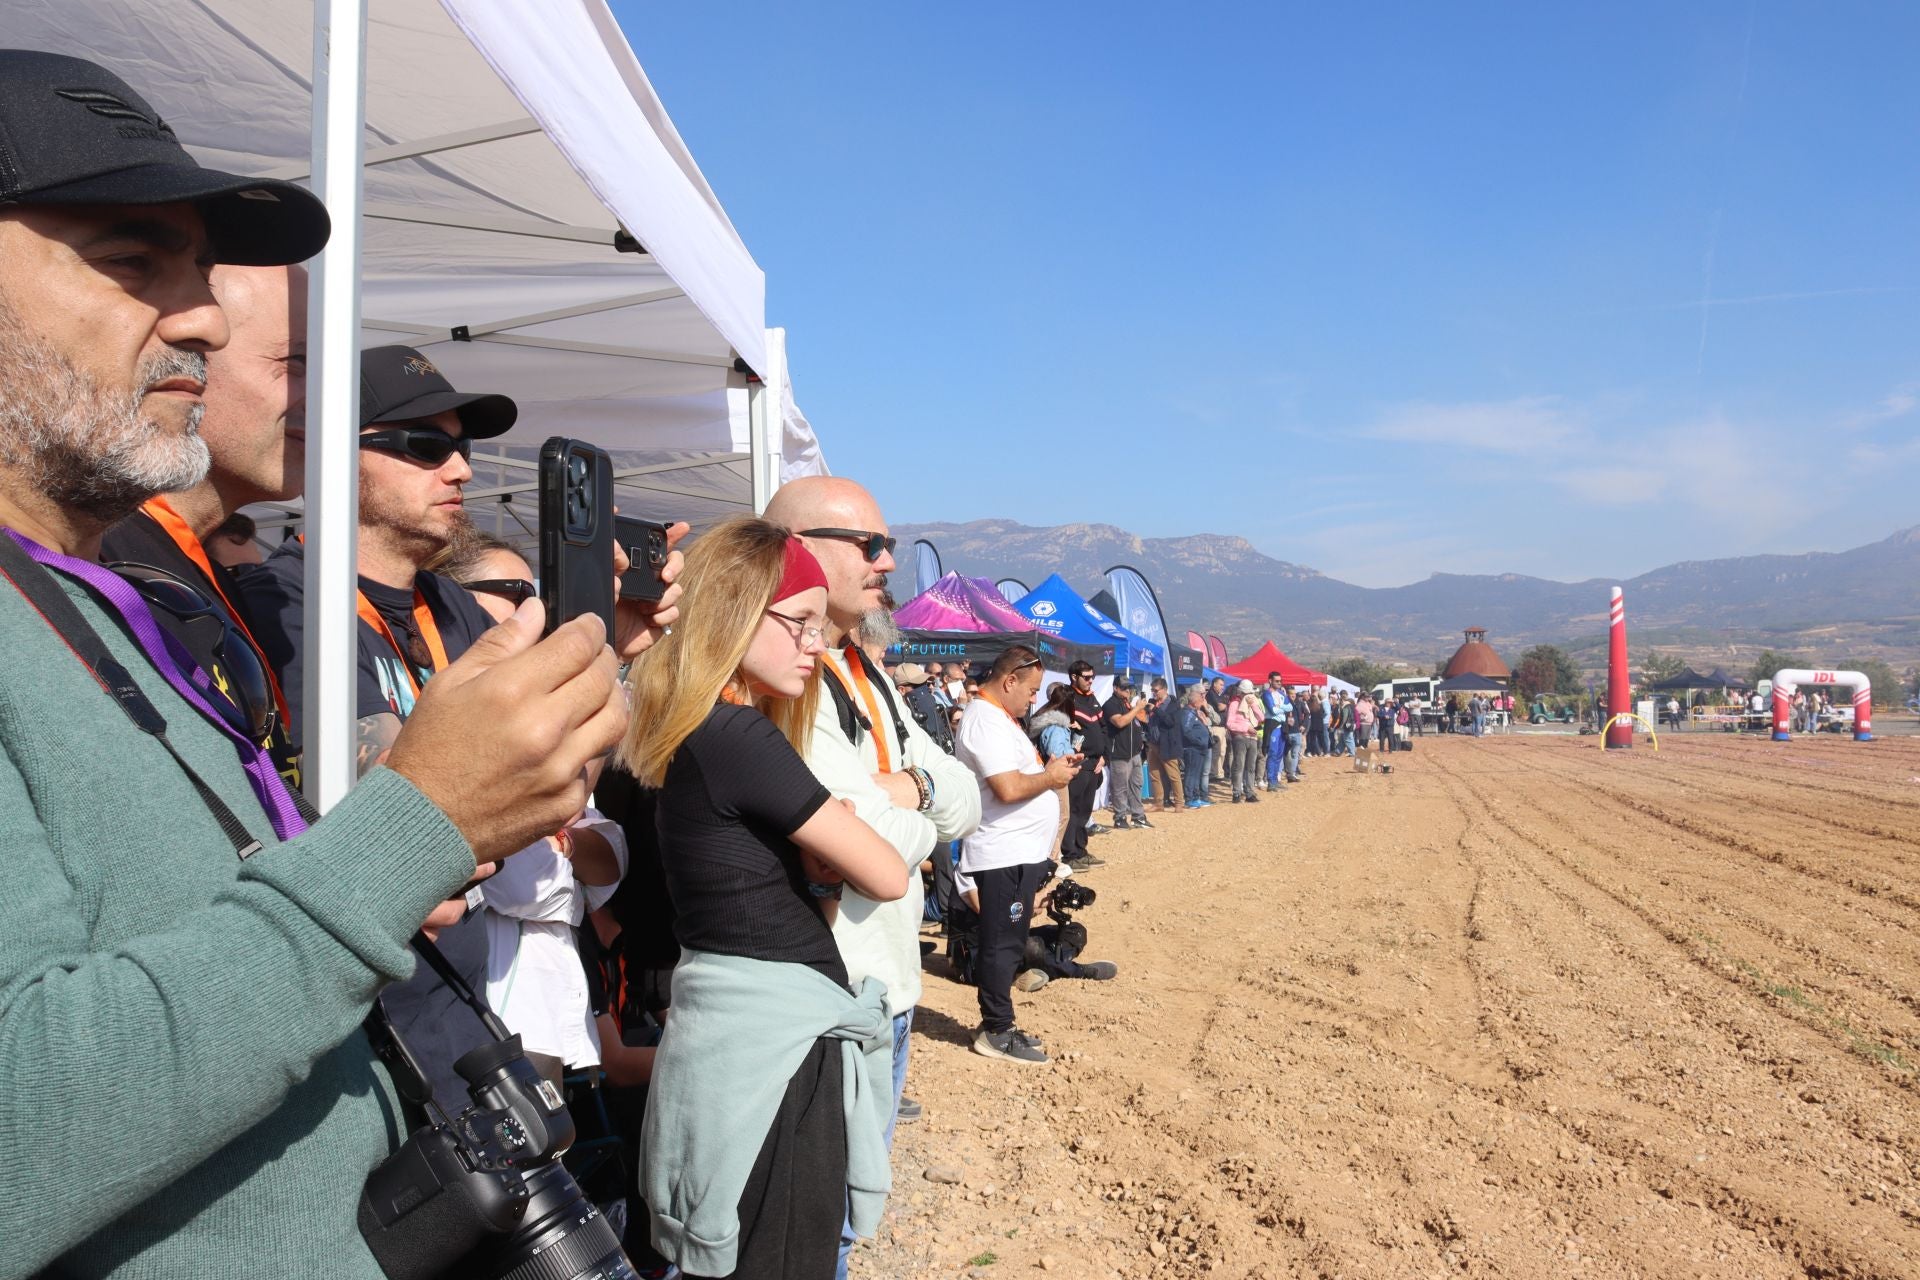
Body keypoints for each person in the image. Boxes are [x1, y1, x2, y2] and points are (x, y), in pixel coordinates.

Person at [0, 50, 637, 1277]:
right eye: (136, 258)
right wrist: (410, 827)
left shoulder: (99, 602)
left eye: (199, 268)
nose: (205, 315)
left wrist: (395, 819)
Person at [622, 519, 908, 1280]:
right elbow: (887, 873)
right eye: (800, 623)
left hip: (749, 1030)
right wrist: (874, 818)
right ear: (734, 614)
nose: (817, 644)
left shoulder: (697, 730)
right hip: (778, 1046)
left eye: (822, 626)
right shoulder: (738, 735)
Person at [765, 477, 981, 1277]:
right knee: (818, 1222)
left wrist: (900, 797)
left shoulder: (863, 670)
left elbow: (964, 795)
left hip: (887, 982)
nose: (888, 560)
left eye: (888, 543)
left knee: (852, 1214)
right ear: (796, 550)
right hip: (834, 986)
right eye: (868, 544)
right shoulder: (787, 672)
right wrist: (909, 802)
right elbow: (847, 841)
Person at [99, 263, 308, 790]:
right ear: (187, 361)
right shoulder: (101, 563)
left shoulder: (198, 571)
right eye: (298, 363)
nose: (334, 402)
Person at [442, 532, 629, 1087]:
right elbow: (524, 887)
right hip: (495, 1004)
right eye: (516, 591)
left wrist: (561, 840)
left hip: (552, 998)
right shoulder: (455, 719)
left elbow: (612, 862)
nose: (535, 610)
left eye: (538, 593)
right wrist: (565, 846)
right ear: (451, 596)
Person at [952, 645, 1080, 1064]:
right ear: (1009, 681)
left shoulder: (999, 718)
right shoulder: (984, 720)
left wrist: (1051, 771)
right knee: (1001, 944)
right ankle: (996, 1029)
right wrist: (1049, 776)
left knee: (1009, 941)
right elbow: (1007, 789)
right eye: (1031, 690)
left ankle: (1000, 1023)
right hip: (999, 852)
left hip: (1014, 852)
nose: (1034, 699)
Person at [1059, 659, 1108, 871]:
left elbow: (1104, 729)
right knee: (1073, 811)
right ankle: (1070, 854)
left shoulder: (1092, 698)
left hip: (1095, 765)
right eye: (1086, 677)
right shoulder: (1067, 698)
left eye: (1092, 677)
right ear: (1074, 677)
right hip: (1078, 764)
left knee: (1085, 812)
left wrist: (1104, 756)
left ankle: (1081, 850)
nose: (1090, 681)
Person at [1102, 675, 1151, 829]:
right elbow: (1120, 722)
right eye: (1124, 687)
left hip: (1134, 753)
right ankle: (1120, 817)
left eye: (1129, 687)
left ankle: (1138, 816)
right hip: (1119, 754)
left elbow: (1135, 723)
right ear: (1115, 688)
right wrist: (1137, 708)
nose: (1128, 690)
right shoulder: (1110, 704)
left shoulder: (1127, 704)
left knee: (1137, 785)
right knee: (1120, 787)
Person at [1144, 676, 1183, 814]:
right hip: (1153, 743)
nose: (1154, 693)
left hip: (1167, 744)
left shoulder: (1173, 704)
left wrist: (1156, 710)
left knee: (1173, 775)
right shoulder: (1152, 702)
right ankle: (1158, 803)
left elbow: (1170, 722)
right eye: (1152, 690)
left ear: (1164, 689)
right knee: (1154, 774)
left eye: (1156, 690)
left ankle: (1179, 803)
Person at [1225, 678, 1262, 802]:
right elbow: (1230, 724)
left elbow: (1261, 718)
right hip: (1240, 737)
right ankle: (1236, 792)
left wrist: (1253, 705)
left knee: (1251, 767)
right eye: (1247, 693)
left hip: (1253, 738)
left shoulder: (1253, 703)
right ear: (1241, 693)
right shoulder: (1234, 704)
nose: (1249, 696)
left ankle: (1249, 793)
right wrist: (1246, 727)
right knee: (1239, 765)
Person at [1180, 687, 1214, 808]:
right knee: (1191, 773)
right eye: (1201, 700)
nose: (1203, 701)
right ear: (1195, 702)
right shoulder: (1187, 713)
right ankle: (1189, 798)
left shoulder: (1195, 712)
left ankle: (1196, 797)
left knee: (1197, 773)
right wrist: (1198, 741)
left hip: (1200, 748)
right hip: (1192, 748)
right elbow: (1186, 730)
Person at [1262, 674, 1292, 789]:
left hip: (1282, 726)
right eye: (1277, 681)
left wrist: (1280, 706)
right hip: (1272, 725)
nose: (1280, 683)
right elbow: (1273, 710)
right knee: (1273, 753)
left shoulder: (1281, 694)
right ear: (1270, 681)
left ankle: (1275, 780)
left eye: (1281, 681)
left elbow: (1290, 707)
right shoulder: (1267, 694)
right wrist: (1281, 707)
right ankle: (1271, 781)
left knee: (1279, 754)